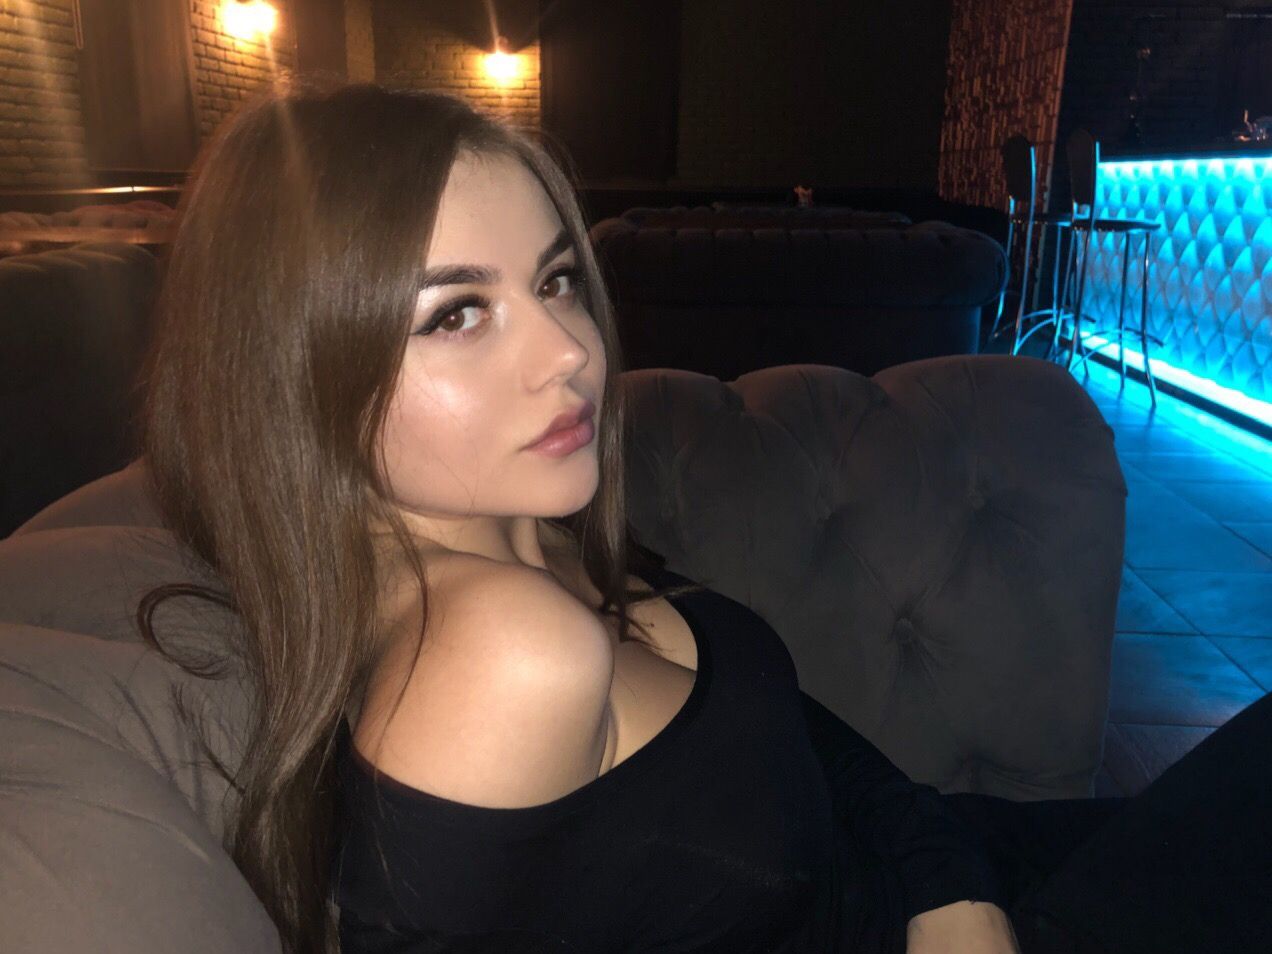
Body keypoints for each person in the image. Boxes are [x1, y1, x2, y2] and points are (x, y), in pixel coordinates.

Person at [137, 80, 1272, 954]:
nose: (569, 351)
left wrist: (948, 884)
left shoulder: (533, 528)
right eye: (456, 314)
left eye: (556, 280)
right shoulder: (497, 652)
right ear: (293, 374)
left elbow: (802, 740)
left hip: (955, 874)